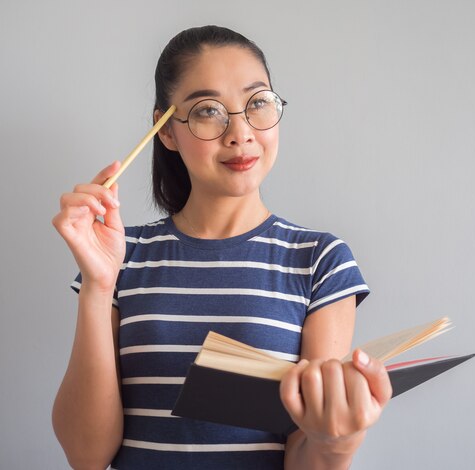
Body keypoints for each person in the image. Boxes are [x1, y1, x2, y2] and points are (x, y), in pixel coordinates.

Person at [52, 25, 391, 470]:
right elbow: (85, 455)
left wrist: (336, 442)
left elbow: (307, 456)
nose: (240, 132)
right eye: (208, 110)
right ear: (166, 130)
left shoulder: (319, 260)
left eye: (258, 103)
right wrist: (99, 285)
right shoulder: (122, 254)